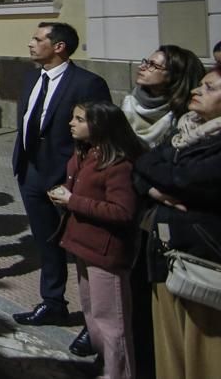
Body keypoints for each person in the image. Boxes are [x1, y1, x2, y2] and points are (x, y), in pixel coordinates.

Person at [12, 22, 111, 325]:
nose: (30, 43)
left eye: (38, 39)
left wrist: (76, 176)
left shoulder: (87, 83)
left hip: (67, 180)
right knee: (46, 243)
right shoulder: (31, 78)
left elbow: (100, 134)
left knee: (82, 249)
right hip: (31, 172)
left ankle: (95, 320)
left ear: (59, 47)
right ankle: (53, 303)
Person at [115, 45, 206, 370]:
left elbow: (171, 172)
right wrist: (147, 178)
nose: (144, 67)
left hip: (166, 226)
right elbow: (141, 164)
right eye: (145, 61)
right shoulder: (129, 103)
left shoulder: (186, 118)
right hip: (130, 207)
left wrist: (148, 174)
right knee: (133, 294)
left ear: (174, 77)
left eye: (154, 65)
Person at [131, 66, 221, 379]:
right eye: (199, 85)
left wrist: (154, 174)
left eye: (209, 88)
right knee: (169, 353)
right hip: (167, 256)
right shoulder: (188, 128)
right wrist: (153, 184)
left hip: (204, 266)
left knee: (204, 358)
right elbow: (142, 163)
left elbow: (186, 178)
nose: (197, 91)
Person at [49, 102, 144, 379]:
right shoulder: (86, 153)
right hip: (81, 245)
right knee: (92, 316)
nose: (71, 123)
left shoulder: (118, 163)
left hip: (105, 251)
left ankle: (120, 373)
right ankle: (105, 366)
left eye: (79, 119)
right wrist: (64, 192)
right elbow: (79, 187)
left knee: (111, 322)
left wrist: (73, 200)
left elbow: (123, 211)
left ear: (100, 125)